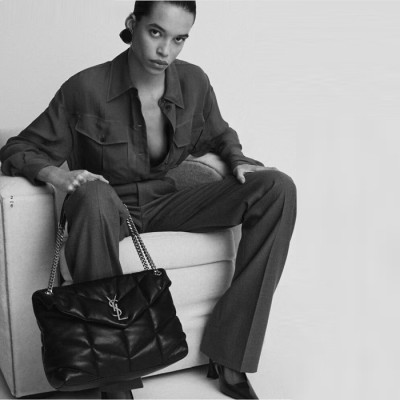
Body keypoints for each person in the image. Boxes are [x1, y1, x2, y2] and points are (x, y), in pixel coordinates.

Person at [0, 1, 297, 399]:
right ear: (132, 24)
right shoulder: (85, 89)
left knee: (277, 187)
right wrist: (58, 175)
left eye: (179, 39)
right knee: (92, 193)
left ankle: (231, 354)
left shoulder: (194, 82)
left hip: (167, 202)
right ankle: (115, 381)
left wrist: (237, 158)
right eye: (156, 33)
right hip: (107, 209)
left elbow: (219, 135)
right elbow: (18, 148)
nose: (165, 51)